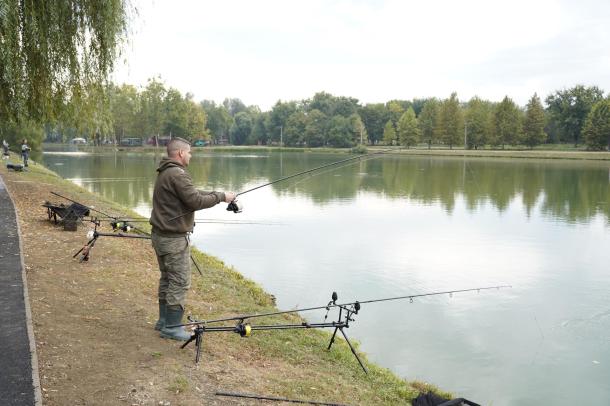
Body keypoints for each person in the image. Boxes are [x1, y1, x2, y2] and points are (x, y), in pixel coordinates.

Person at [149, 137, 235, 341]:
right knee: (179, 282)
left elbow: (192, 193)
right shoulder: (178, 174)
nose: (190, 156)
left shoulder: (166, 171)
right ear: (180, 153)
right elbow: (195, 200)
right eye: (189, 152)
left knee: (168, 279)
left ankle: (163, 321)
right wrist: (221, 198)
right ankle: (172, 328)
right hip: (173, 240)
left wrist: (219, 194)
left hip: (160, 236)